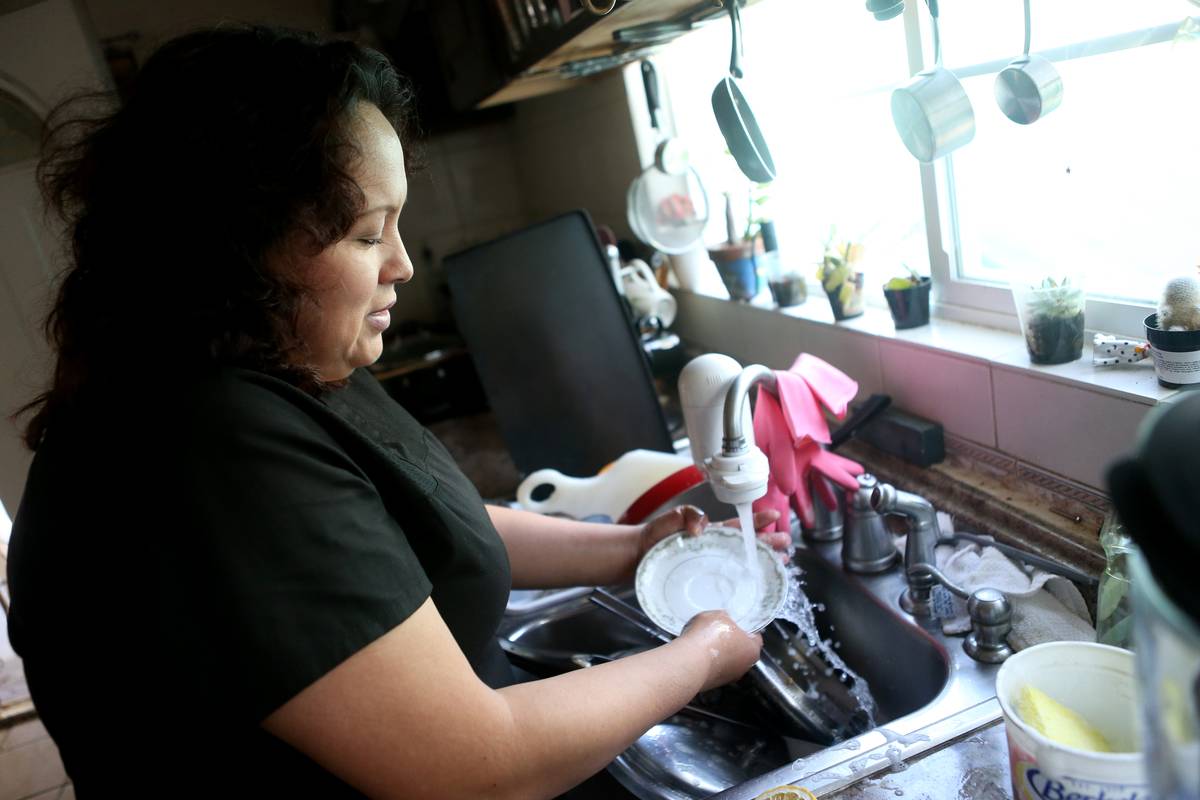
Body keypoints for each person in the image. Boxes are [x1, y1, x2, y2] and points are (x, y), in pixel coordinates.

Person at [4, 26, 789, 798]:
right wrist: (705, 653)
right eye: (367, 232)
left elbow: (430, 521)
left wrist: (629, 547)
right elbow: (476, 769)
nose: (403, 263)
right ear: (243, 243)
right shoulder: (204, 446)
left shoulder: (289, 358)